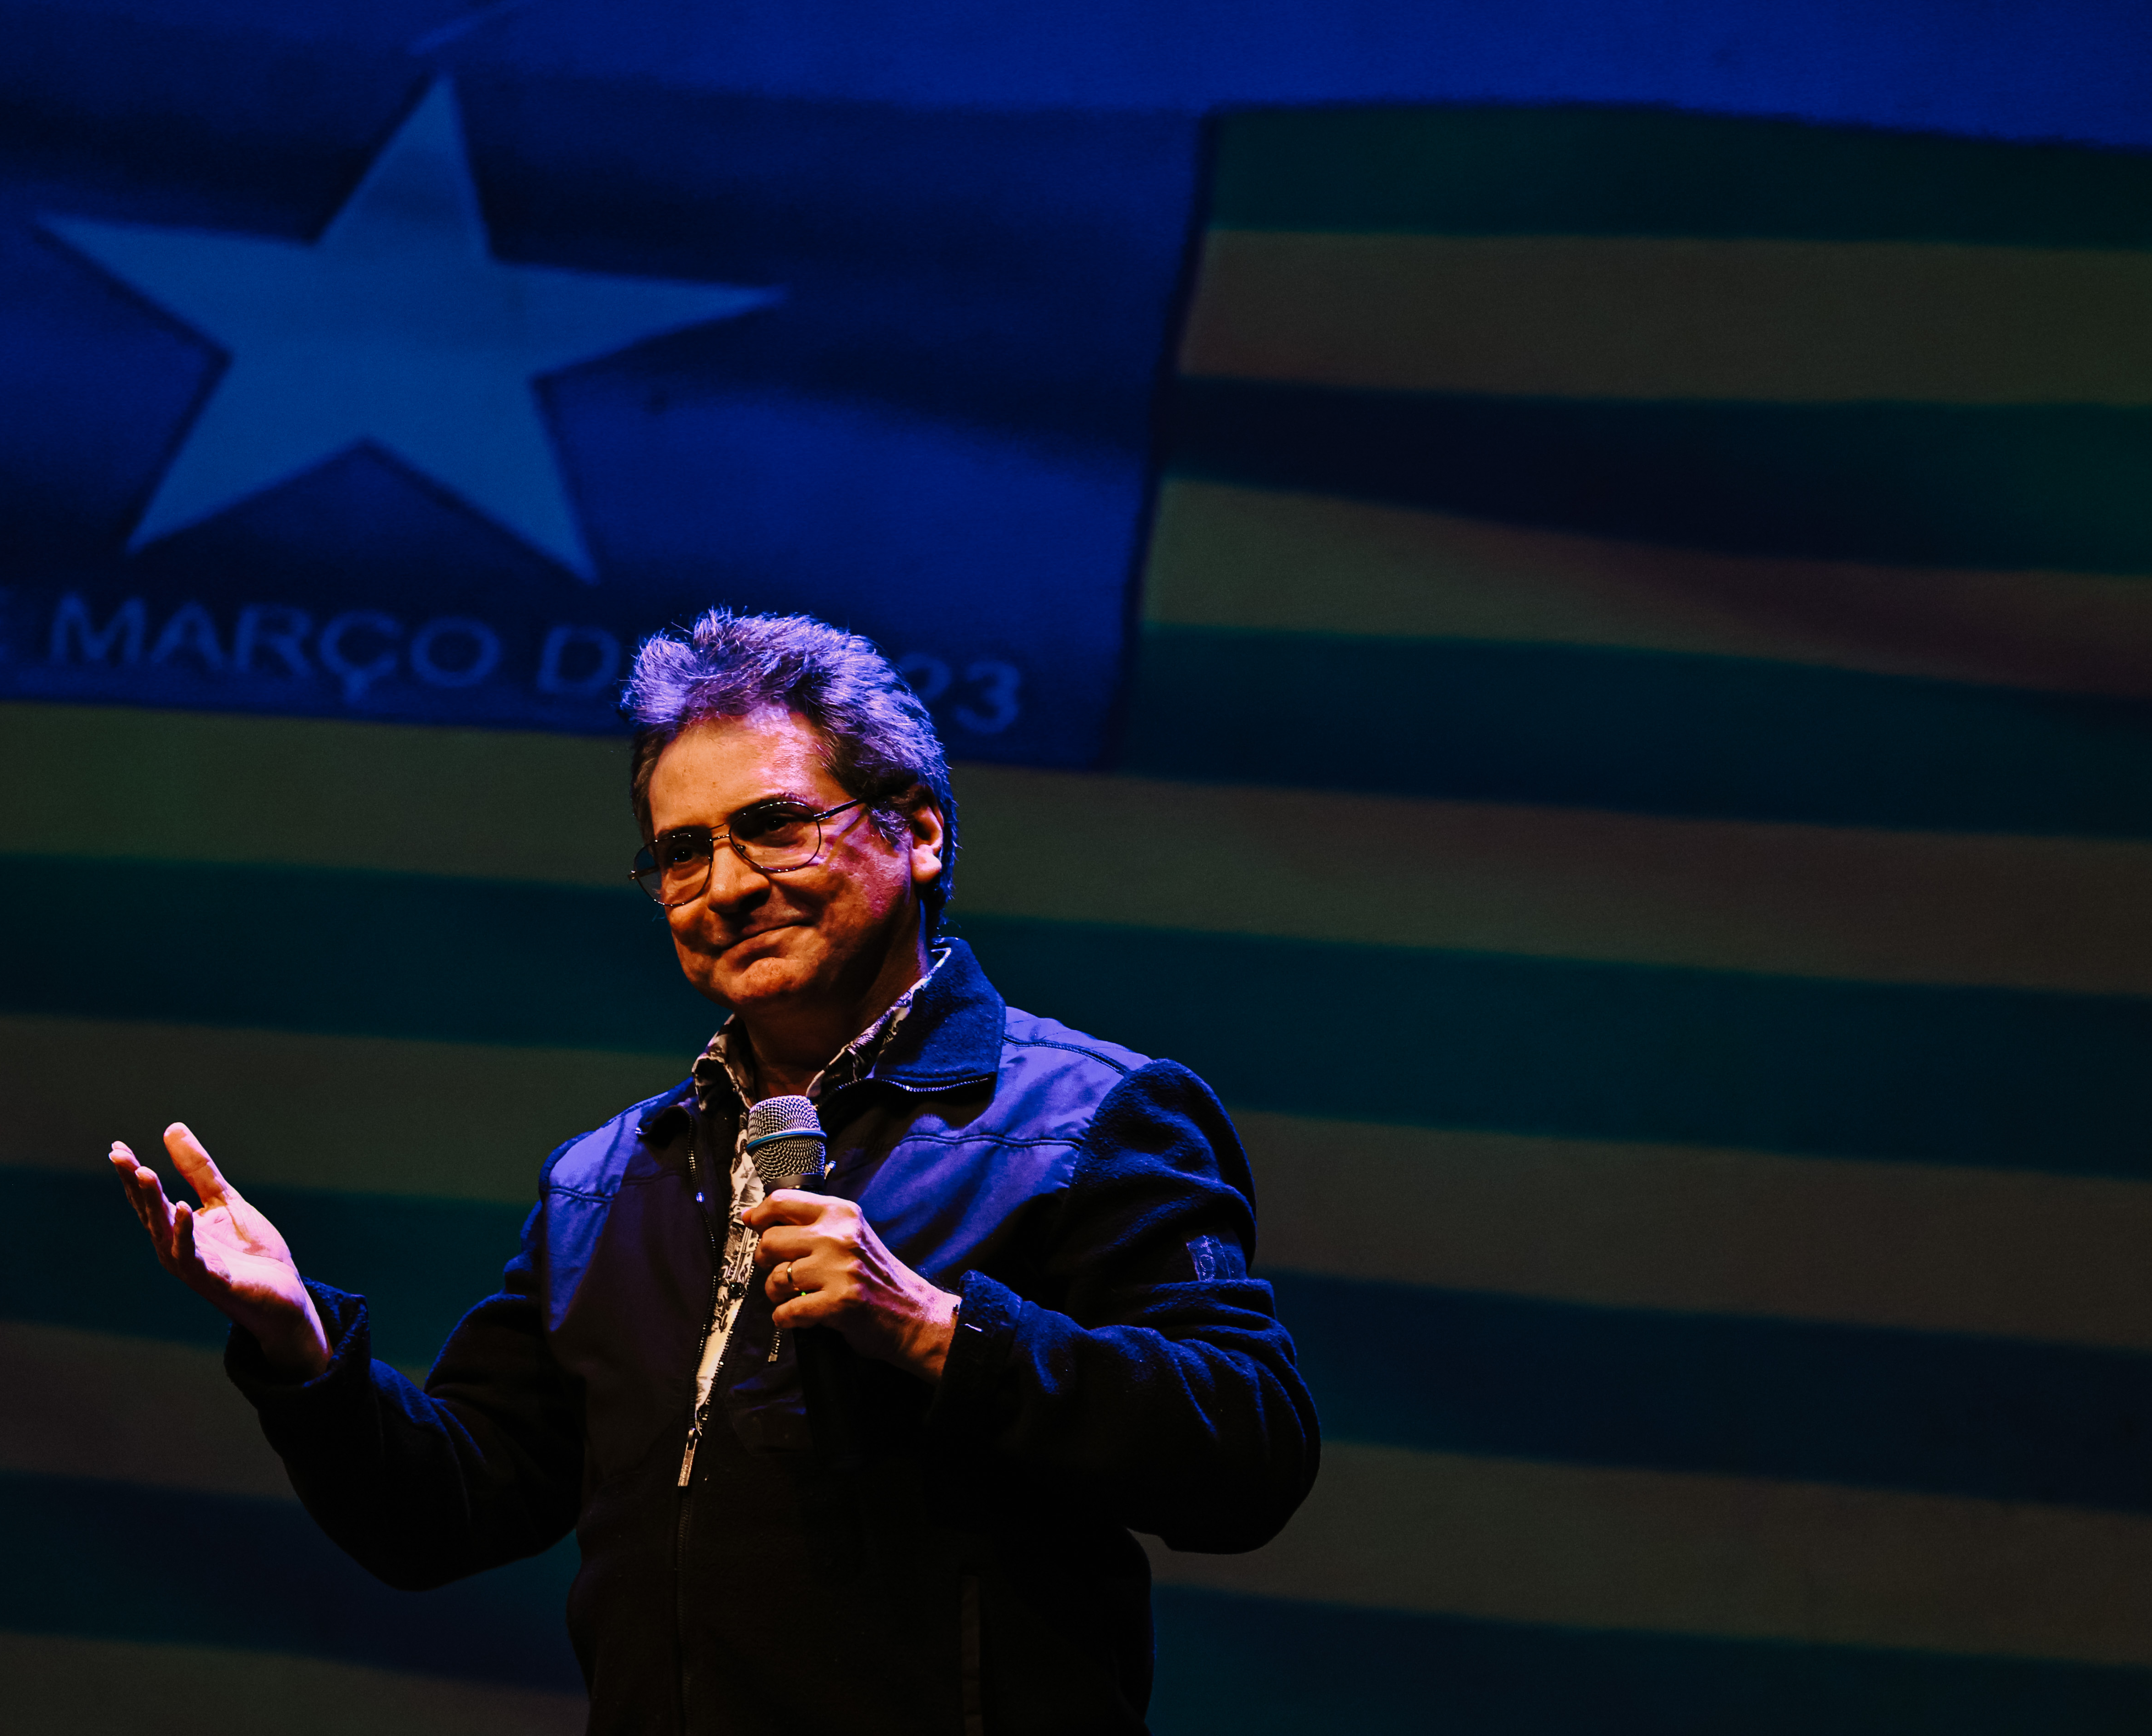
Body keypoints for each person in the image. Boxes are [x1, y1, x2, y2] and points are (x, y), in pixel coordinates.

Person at [109, 609, 1317, 1734]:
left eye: (777, 826)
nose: (727, 887)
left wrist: (940, 1332)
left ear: (918, 832)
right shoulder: (605, 1184)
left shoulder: (1088, 1117)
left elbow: (1251, 1454)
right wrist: (300, 1347)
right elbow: (447, 1514)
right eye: (682, 853)